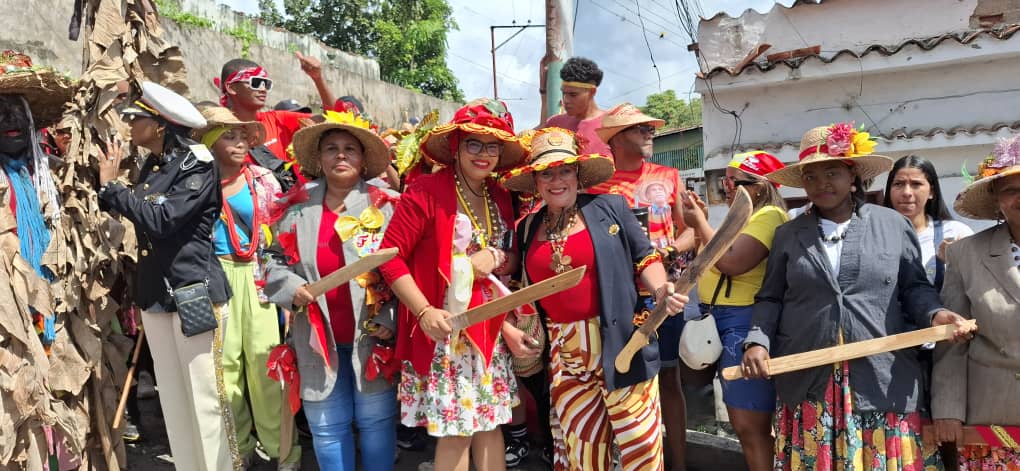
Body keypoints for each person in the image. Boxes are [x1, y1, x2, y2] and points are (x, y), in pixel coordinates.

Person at [740, 122, 974, 470]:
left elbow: (914, 288)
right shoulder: (789, 234)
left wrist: (936, 315)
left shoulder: (892, 225)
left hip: (882, 378)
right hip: (808, 381)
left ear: (853, 177)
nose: (822, 184)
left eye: (831, 173)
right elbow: (771, 298)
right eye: (811, 177)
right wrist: (757, 342)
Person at [500, 127, 688, 470]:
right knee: (583, 452)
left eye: (564, 170)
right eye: (546, 173)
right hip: (565, 353)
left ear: (577, 174)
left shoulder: (610, 207)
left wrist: (661, 290)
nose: (556, 180)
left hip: (622, 343)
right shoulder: (526, 228)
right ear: (536, 181)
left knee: (641, 450)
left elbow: (645, 257)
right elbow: (515, 284)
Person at [378, 98, 536, 471]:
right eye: (474, 144)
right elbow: (389, 257)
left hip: (490, 330)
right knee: (456, 432)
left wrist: (494, 259)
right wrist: (424, 310)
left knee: (490, 424)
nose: (484, 154)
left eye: (492, 146)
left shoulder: (499, 195)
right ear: (457, 146)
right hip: (445, 332)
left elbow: (510, 258)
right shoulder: (426, 191)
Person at [95, 81, 236, 471]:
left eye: (135, 118)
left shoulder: (198, 162)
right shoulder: (154, 166)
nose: (128, 125)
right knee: (173, 398)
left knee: (205, 398)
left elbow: (161, 219)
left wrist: (114, 188)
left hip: (193, 291)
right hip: (157, 293)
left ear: (159, 124)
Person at [263, 109, 400, 470]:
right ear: (319, 159)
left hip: (371, 336)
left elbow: (403, 267)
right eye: (332, 149)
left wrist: (390, 316)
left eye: (350, 149)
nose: (340, 155)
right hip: (315, 336)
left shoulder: (384, 205)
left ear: (363, 159)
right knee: (327, 428)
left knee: (375, 424)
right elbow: (272, 259)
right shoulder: (295, 207)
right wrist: (290, 286)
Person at [193, 106, 304, 470]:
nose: (241, 143)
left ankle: (282, 449)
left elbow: (283, 230)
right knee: (224, 369)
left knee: (266, 362)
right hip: (216, 276)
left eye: (244, 136)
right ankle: (236, 449)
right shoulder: (196, 181)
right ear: (210, 141)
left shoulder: (263, 179)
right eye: (230, 136)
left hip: (257, 275)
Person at [592, 102, 698, 470]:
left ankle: (677, 464)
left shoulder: (668, 176)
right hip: (617, 298)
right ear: (616, 139)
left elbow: (690, 232)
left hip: (664, 295)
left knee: (669, 378)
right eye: (641, 129)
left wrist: (667, 251)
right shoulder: (596, 187)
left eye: (650, 129)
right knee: (619, 379)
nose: (650, 134)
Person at [678, 150, 787, 471]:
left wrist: (700, 223)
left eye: (734, 182)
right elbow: (709, 256)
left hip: (743, 321)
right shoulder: (742, 216)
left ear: (759, 186)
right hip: (723, 318)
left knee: (749, 424)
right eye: (724, 181)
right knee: (743, 423)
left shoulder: (768, 217)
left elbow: (731, 263)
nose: (726, 187)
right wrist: (699, 227)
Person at [932, 135, 1020, 469]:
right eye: (1010, 189)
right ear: (996, 199)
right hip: (993, 422)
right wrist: (948, 410)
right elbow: (953, 342)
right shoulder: (966, 254)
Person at [217, 53, 337, 189]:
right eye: (255, 83)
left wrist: (318, 78)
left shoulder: (279, 119)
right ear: (231, 88)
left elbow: (335, 118)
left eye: (266, 84)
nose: (263, 89)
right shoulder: (216, 130)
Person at [883, 155, 973, 291]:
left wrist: (956, 261)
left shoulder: (956, 233)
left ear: (931, 191)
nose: (907, 192)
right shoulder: (874, 237)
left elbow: (977, 284)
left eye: (916, 184)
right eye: (898, 184)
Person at [542, 57, 612, 156]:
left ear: (592, 92)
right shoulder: (554, 124)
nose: (565, 100)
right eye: (564, 93)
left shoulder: (612, 126)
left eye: (573, 95)